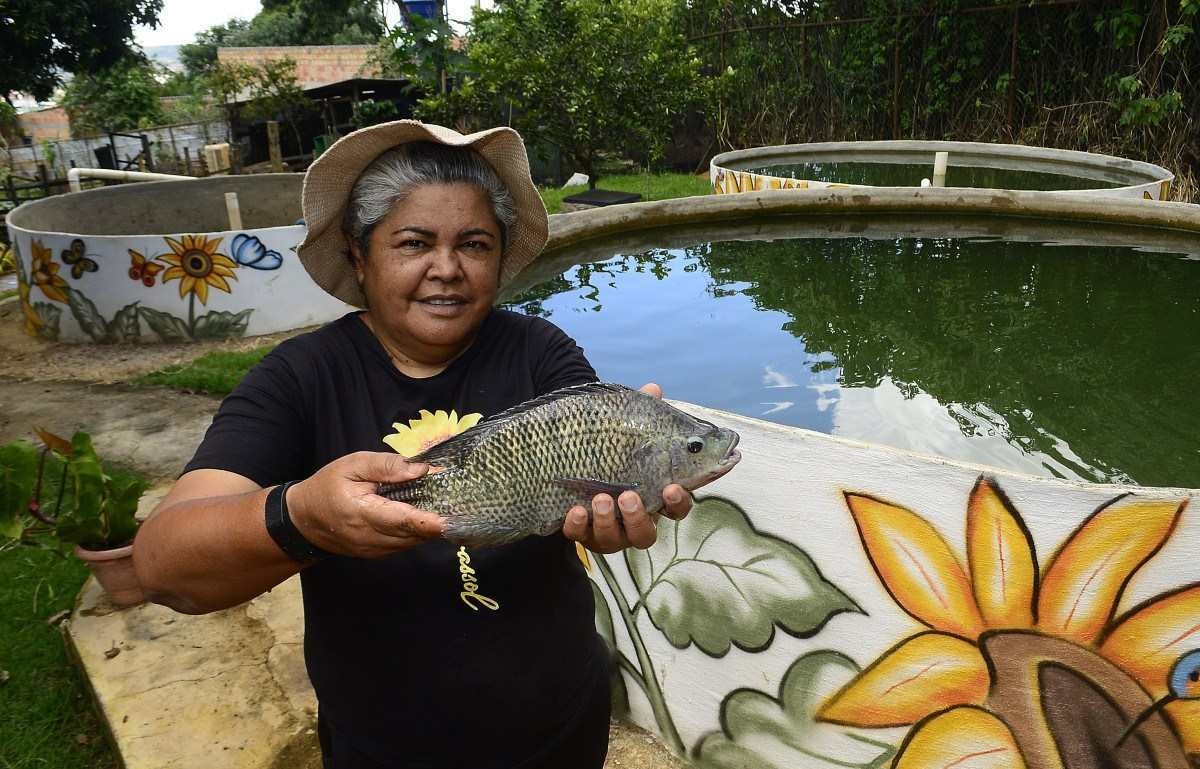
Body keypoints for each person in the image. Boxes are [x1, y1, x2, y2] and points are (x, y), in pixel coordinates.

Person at [131, 121, 693, 769]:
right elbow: (162, 564)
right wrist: (302, 515)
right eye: (414, 242)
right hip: (383, 744)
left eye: (474, 244)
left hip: (559, 725)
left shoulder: (540, 352)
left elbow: (597, 483)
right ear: (359, 254)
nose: (447, 269)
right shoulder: (301, 378)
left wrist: (626, 490)